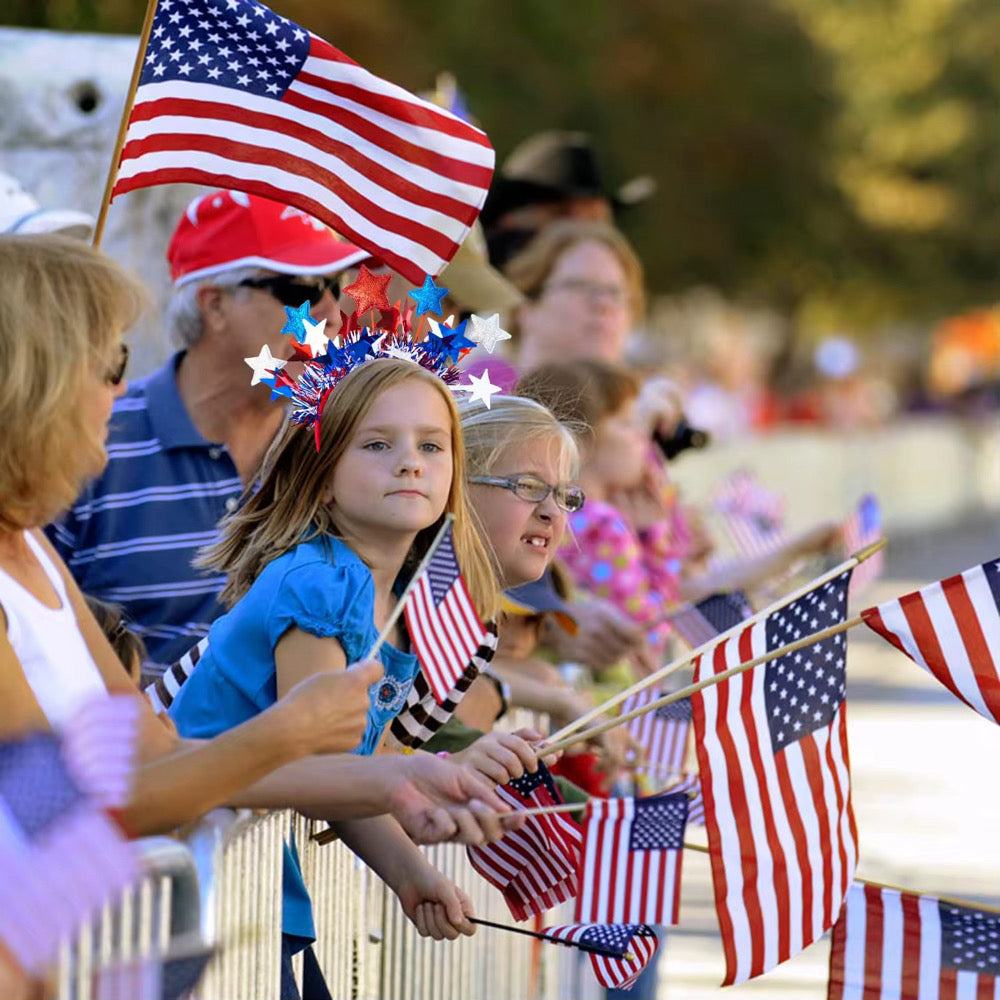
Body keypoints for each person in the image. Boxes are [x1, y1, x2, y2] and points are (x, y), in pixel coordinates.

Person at [0, 236, 515, 994]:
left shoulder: (35, 554)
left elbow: (153, 756)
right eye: (111, 365)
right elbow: (94, 804)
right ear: (36, 381)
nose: (123, 390)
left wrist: (398, 784)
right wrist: (295, 737)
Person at [167, 354, 528, 994]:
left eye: (432, 445)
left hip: (257, 874)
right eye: (378, 444)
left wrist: (412, 874)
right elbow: (327, 769)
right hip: (194, 871)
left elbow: (351, 763)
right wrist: (416, 794)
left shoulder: (392, 601)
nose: (410, 462)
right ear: (324, 476)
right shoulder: (320, 582)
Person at [46, 189, 368, 681]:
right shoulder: (90, 439)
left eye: (337, 285)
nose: (331, 315)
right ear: (214, 305)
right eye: (302, 290)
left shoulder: (342, 450)